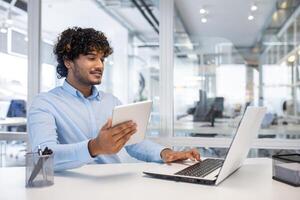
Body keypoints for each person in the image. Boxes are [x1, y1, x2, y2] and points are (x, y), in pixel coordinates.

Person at [28, 27, 200, 171]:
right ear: (68, 62)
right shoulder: (45, 103)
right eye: (91, 58)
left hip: (114, 185)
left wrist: (165, 153)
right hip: (72, 190)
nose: (100, 65)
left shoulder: (111, 102)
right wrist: (94, 147)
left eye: (102, 59)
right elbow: (44, 155)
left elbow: (134, 143)